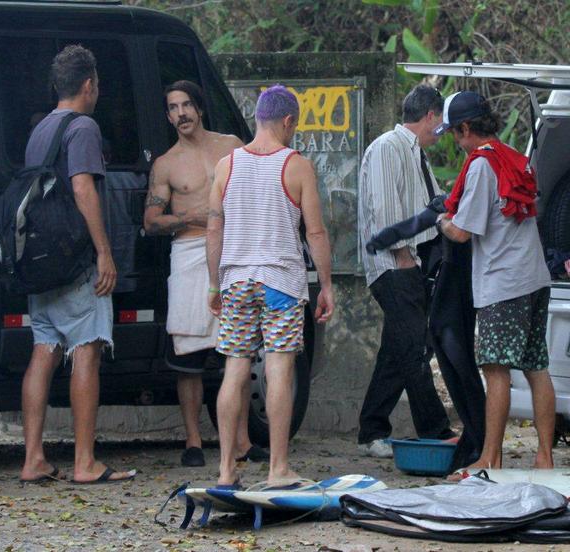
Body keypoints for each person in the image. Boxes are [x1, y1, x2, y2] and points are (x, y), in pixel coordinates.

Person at [206, 85, 335, 486]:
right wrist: (327, 285)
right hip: (280, 282)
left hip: (236, 281)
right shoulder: (296, 165)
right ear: (287, 121)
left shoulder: (226, 165)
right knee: (279, 368)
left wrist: (214, 285)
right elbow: (315, 232)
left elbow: (214, 228)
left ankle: (226, 470)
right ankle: (278, 468)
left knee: (235, 369)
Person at [18, 45, 134, 484]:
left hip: (41, 261)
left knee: (43, 351)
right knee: (86, 350)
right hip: (75, 263)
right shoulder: (82, 126)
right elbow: (83, 188)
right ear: (89, 85)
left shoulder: (41, 129)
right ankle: (85, 462)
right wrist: (105, 251)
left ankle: (33, 458)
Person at [144, 80, 268, 467]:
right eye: (172, 108)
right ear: (168, 116)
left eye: (185, 105)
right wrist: (190, 217)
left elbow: (256, 190)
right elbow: (150, 220)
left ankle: (243, 442)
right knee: (189, 352)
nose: (180, 113)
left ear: (199, 108)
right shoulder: (165, 164)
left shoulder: (231, 146)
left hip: (233, 250)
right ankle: (193, 440)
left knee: (239, 348)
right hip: (189, 251)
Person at [435, 91, 555, 472]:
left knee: (496, 370)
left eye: (455, 132)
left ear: (466, 128)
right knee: (537, 367)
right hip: (535, 278)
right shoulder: (511, 156)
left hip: (503, 284)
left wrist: (438, 220)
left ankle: (489, 459)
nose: (455, 140)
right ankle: (545, 457)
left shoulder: (481, 165)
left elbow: (464, 231)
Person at [356, 85, 454, 458]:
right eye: (441, 122)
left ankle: (371, 429)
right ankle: (437, 430)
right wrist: (400, 255)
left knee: (400, 348)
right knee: (414, 346)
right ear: (430, 115)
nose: (441, 130)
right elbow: (383, 208)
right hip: (393, 264)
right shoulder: (388, 148)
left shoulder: (417, 155)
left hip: (416, 262)